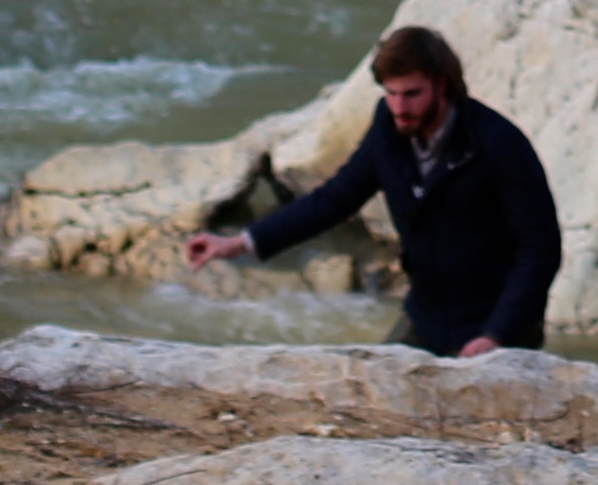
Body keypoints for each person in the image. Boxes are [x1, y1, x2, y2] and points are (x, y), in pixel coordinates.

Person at [187, 22, 561, 359]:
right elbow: (335, 198)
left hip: (499, 328)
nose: (399, 107)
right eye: (390, 94)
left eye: (411, 94)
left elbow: (540, 249)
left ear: (441, 85)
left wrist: (496, 337)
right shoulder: (389, 126)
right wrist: (241, 242)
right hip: (427, 317)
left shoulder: (499, 144)